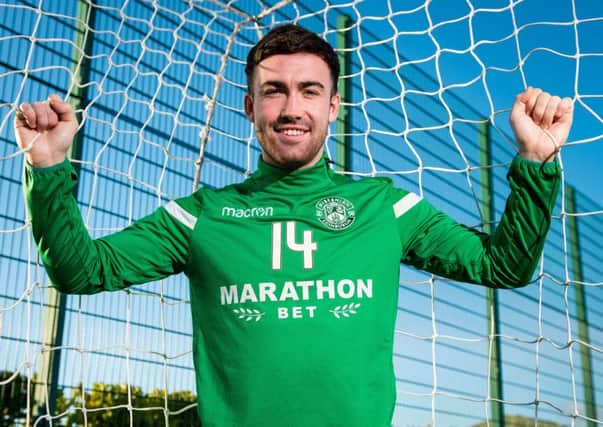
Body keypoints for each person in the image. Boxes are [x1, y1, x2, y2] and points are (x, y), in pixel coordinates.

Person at [15, 24, 572, 427]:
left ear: (333, 107)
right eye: (273, 91)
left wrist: (536, 162)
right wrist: (46, 168)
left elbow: (505, 266)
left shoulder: (385, 207)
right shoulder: (200, 215)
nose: (291, 108)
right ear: (250, 106)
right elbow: (80, 271)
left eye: (309, 91)